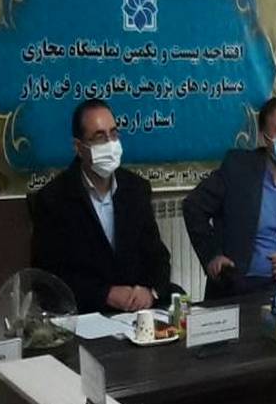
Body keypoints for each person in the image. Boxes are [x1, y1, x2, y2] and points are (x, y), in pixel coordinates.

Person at [31, 98, 176, 314]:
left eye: (114, 134)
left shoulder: (136, 189)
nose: (110, 144)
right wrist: (105, 294)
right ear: (79, 147)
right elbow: (48, 278)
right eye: (100, 137)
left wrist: (150, 291)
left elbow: (158, 257)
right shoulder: (54, 199)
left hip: (137, 314)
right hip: (86, 315)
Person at [183, 96, 276, 299]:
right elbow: (193, 206)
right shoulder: (238, 168)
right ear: (264, 138)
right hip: (241, 286)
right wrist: (212, 256)